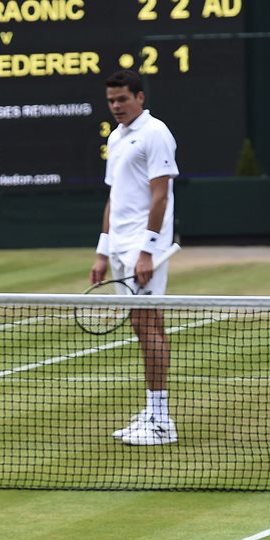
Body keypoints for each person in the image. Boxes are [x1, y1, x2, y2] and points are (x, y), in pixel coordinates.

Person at [92, 70, 180, 447]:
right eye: (111, 100)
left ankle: (161, 420)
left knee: (149, 325)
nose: (115, 106)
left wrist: (147, 249)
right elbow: (115, 198)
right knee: (142, 326)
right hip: (120, 249)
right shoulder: (115, 137)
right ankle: (152, 410)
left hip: (146, 250)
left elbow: (160, 196)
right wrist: (101, 249)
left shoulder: (156, 133)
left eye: (122, 99)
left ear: (139, 98)